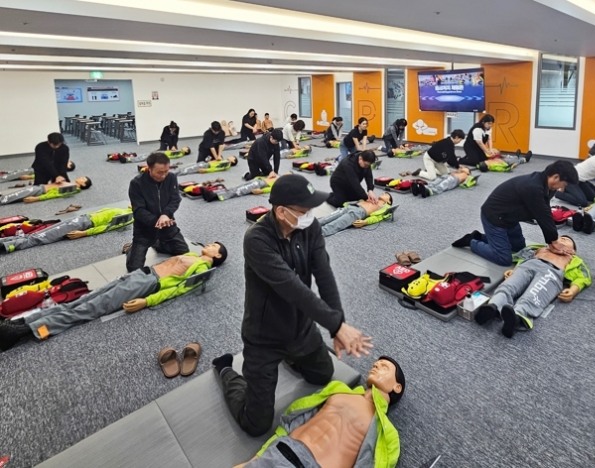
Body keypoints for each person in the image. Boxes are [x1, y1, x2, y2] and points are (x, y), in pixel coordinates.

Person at [213, 174, 373, 437]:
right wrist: (335, 325)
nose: (310, 215)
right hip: (264, 338)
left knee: (323, 375)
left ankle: (292, 355)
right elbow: (292, 288)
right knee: (256, 424)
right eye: (304, 210)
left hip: (300, 327)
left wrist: (338, 326)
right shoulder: (256, 239)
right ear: (281, 211)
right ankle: (226, 369)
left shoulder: (309, 228)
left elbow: (324, 274)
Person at [0, 243, 227, 352]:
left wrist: (146, 301)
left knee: (89, 309)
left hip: (149, 284)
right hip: (141, 274)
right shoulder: (191, 254)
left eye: (215, 245)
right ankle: (27, 320)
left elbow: (177, 290)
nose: (209, 244)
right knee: (81, 301)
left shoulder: (202, 269)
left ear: (217, 255)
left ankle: (29, 330)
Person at [229, 357, 404, 467]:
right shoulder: (339, 390)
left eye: (384, 367)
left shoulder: (387, 432)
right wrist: (256, 458)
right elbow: (298, 417)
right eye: (376, 364)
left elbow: (379, 464)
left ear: (397, 387)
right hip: (282, 450)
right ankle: (225, 370)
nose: (375, 366)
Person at [452, 161, 579, 266]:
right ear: (556, 177)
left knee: (518, 247)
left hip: (510, 218)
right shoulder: (533, 186)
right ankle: (472, 241)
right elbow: (542, 215)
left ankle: (480, 236)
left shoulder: (548, 186)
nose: (563, 188)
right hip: (494, 218)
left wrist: (552, 241)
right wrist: (554, 241)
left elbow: (544, 211)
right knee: (503, 258)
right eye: (564, 184)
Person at [475, 236, 591, 338]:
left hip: (551, 272)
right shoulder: (540, 248)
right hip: (529, 265)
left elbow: (584, 276)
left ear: (573, 251)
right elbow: (523, 256)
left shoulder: (574, 259)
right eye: (560, 238)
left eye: (566, 240)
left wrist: (573, 290)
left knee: (532, 296)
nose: (562, 239)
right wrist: (514, 270)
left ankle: (517, 317)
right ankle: (493, 306)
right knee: (507, 286)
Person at [126, 152, 189, 272]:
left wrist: (165, 215)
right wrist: (157, 221)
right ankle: (132, 249)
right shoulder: (136, 184)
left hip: (167, 225)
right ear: (149, 168)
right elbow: (139, 211)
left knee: (184, 252)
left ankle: (159, 244)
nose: (164, 175)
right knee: (134, 269)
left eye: (166, 171)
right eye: (160, 172)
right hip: (144, 230)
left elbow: (175, 199)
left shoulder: (171, 177)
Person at [0, 207, 132, 254]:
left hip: (85, 224)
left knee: (42, 237)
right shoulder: (127, 209)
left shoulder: (130, 216)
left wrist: (84, 233)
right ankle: (6, 241)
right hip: (82, 219)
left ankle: (8, 246)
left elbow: (108, 227)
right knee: (39, 233)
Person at [319, 191, 394, 236]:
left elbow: (378, 217)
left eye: (386, 194)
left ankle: (312, 235)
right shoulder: (373, 198)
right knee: (325, 219)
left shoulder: (385, 206)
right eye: (383, 192)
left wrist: (365, 222)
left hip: (358, 213)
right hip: (350, 207)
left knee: (335, 225)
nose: (383, 193)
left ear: (389, 201)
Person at [0, 176, 92, 205]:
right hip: (40, 187)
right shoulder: (71, 184)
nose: (80, 177)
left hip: (41, 190)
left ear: (83, 184)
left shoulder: (74, 188)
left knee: (15, 195)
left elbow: (55, 194)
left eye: (83, 178)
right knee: (16, 193)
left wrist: (37, 199)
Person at [202, 173, 280, 202]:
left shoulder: (280, 181)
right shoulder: (277, 176)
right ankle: (215, 192)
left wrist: (262, 191)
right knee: (236, 188)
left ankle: (215, 196)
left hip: (261, 184)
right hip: (257, 181)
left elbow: (273, 188)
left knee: (239, 191)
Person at [411, 167, 477, 198]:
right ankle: (421, 189)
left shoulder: (467, 175)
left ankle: (429, 192)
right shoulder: (458, 172)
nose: (462, 168)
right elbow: (452, 172)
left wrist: (465, 171)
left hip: (453, 180)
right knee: (435, 182)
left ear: (468, 172)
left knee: (442, 185)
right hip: (447, 176)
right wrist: (458, 171)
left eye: (465, 168)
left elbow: (467, 182)